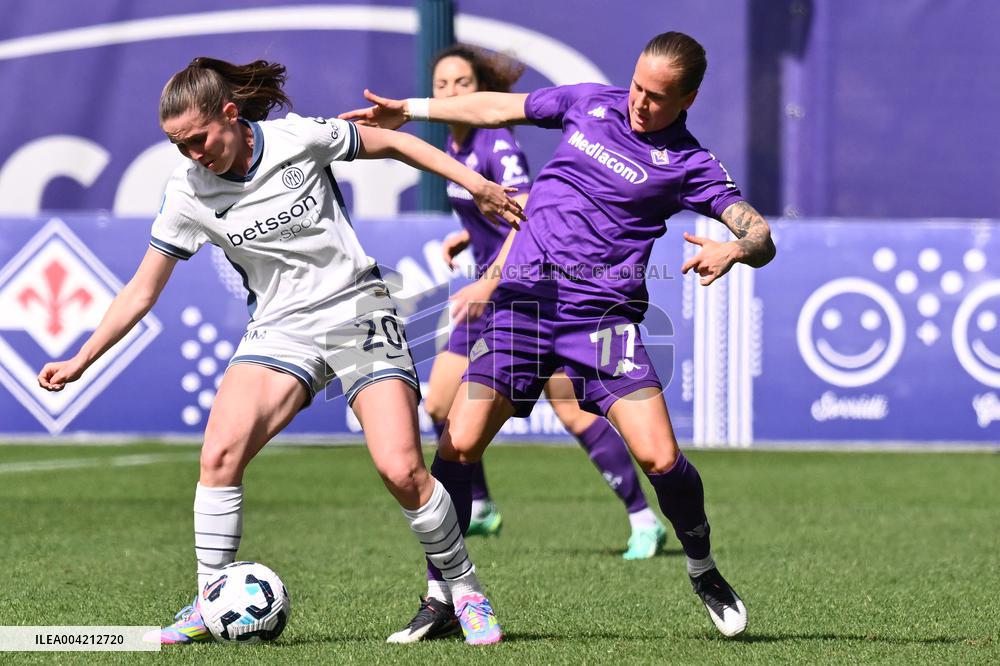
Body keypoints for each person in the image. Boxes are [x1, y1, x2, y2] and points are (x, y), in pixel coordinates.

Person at [37, 57, 526, 646]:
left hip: (356, 310)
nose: (193, 154)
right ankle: (211, 599)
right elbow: (141, 290)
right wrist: (81, 358)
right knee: (219, 454)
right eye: (177, 144)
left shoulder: (298, 137)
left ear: (230, 113)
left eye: (199, 138)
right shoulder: (187, 192)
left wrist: (477, 185)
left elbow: (393, 144)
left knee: (401, 468)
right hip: (280, 330)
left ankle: (465, 592)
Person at [343, 31, 775, 639]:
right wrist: (412, 111)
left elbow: (759, 233)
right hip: (522, 305)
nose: (639, 103)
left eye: (657, 97)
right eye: (637, 86)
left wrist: (737, 247)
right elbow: (496, 107)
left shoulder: (689, 163)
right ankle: (441, 595)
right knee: (458, 444)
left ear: (689, 99)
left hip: (600, 318)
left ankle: (702, 567)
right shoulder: (589, 102)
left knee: (661, 458)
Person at [390, 41, 672, 644]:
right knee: (443, 409)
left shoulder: (496, 143)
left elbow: (525, 210)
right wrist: (466, 242)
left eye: (462, 83)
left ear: (479, 88)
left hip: (523, 289)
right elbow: (489, 213)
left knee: (569, 411)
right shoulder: (456, 143)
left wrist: (490, 278)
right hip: (490, 286)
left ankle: (644, 517)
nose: (451, 95)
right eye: (441, 85)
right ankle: (482, 511)